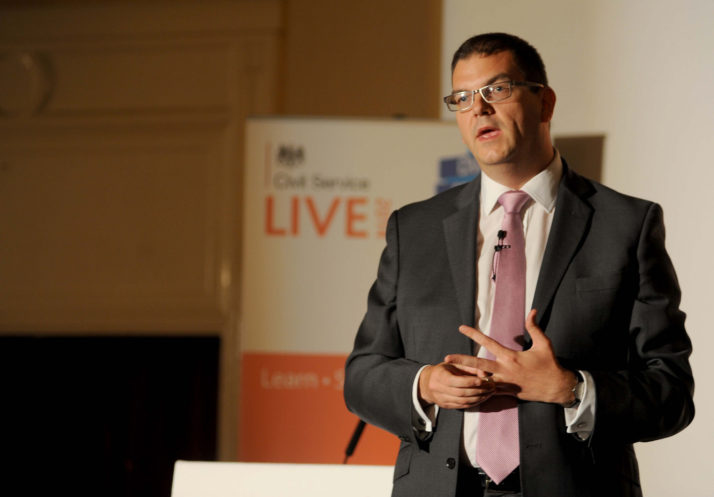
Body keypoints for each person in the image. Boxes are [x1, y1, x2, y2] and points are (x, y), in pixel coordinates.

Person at [344, 32, 694, 497]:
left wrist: (571, 389)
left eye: (497, 89)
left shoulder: (625, 225)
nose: (479, 108)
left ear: (545, 102)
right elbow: (363, 375)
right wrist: (424, 385)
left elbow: (671, 392)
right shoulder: (414, 229)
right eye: (463, 97)